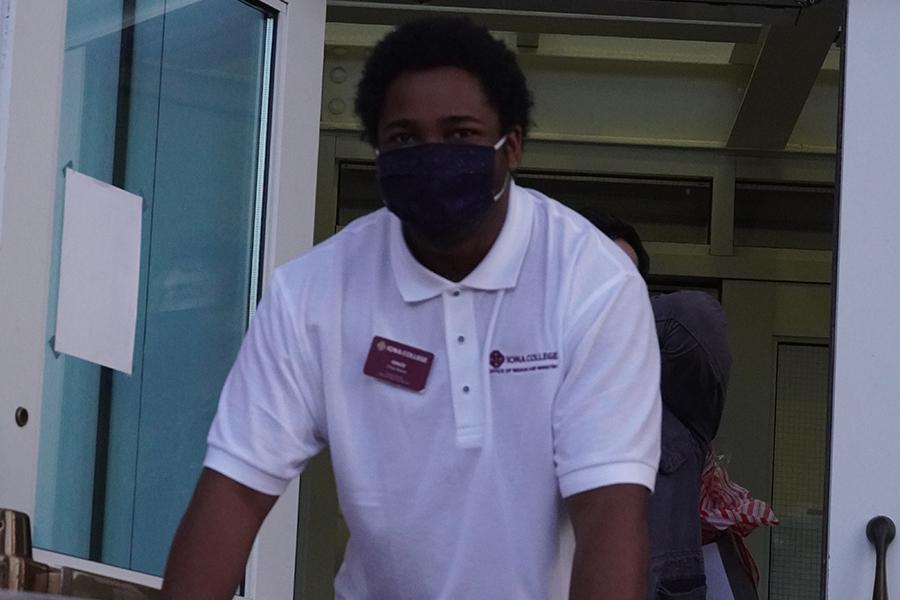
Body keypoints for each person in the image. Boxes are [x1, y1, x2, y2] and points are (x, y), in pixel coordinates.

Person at [161, 17, 661, 600]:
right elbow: (235, 491)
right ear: (377, 153)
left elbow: (608, 512)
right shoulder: (313, 293)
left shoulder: (593, 283)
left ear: (512, 146)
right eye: (404, 139)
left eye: (460, 134)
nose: (432, 155)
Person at [583, 211, 731, 599]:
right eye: (598, 273)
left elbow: (696, 317)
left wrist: (610, 314)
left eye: (627, 280)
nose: (613, 290)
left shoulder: (676, 402)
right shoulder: (535, 382)